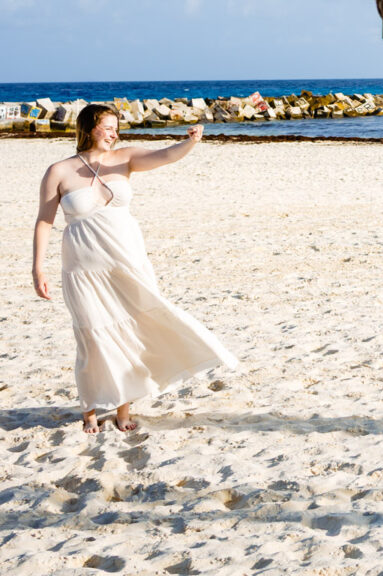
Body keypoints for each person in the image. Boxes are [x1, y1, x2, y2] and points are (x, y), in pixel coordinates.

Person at [31, 104, 237, 433]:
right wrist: (37, 269)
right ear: (88, 127)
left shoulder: (126, 157)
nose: (114, 133)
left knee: (128, 334)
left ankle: (123, 411)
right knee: (92, 336)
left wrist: (191, 142)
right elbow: (44, 222)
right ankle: (89, 410)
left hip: (126, 262)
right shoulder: (59, 171)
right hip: (82, 268)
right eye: (107, 127)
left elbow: (166, 156)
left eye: (116, 127)